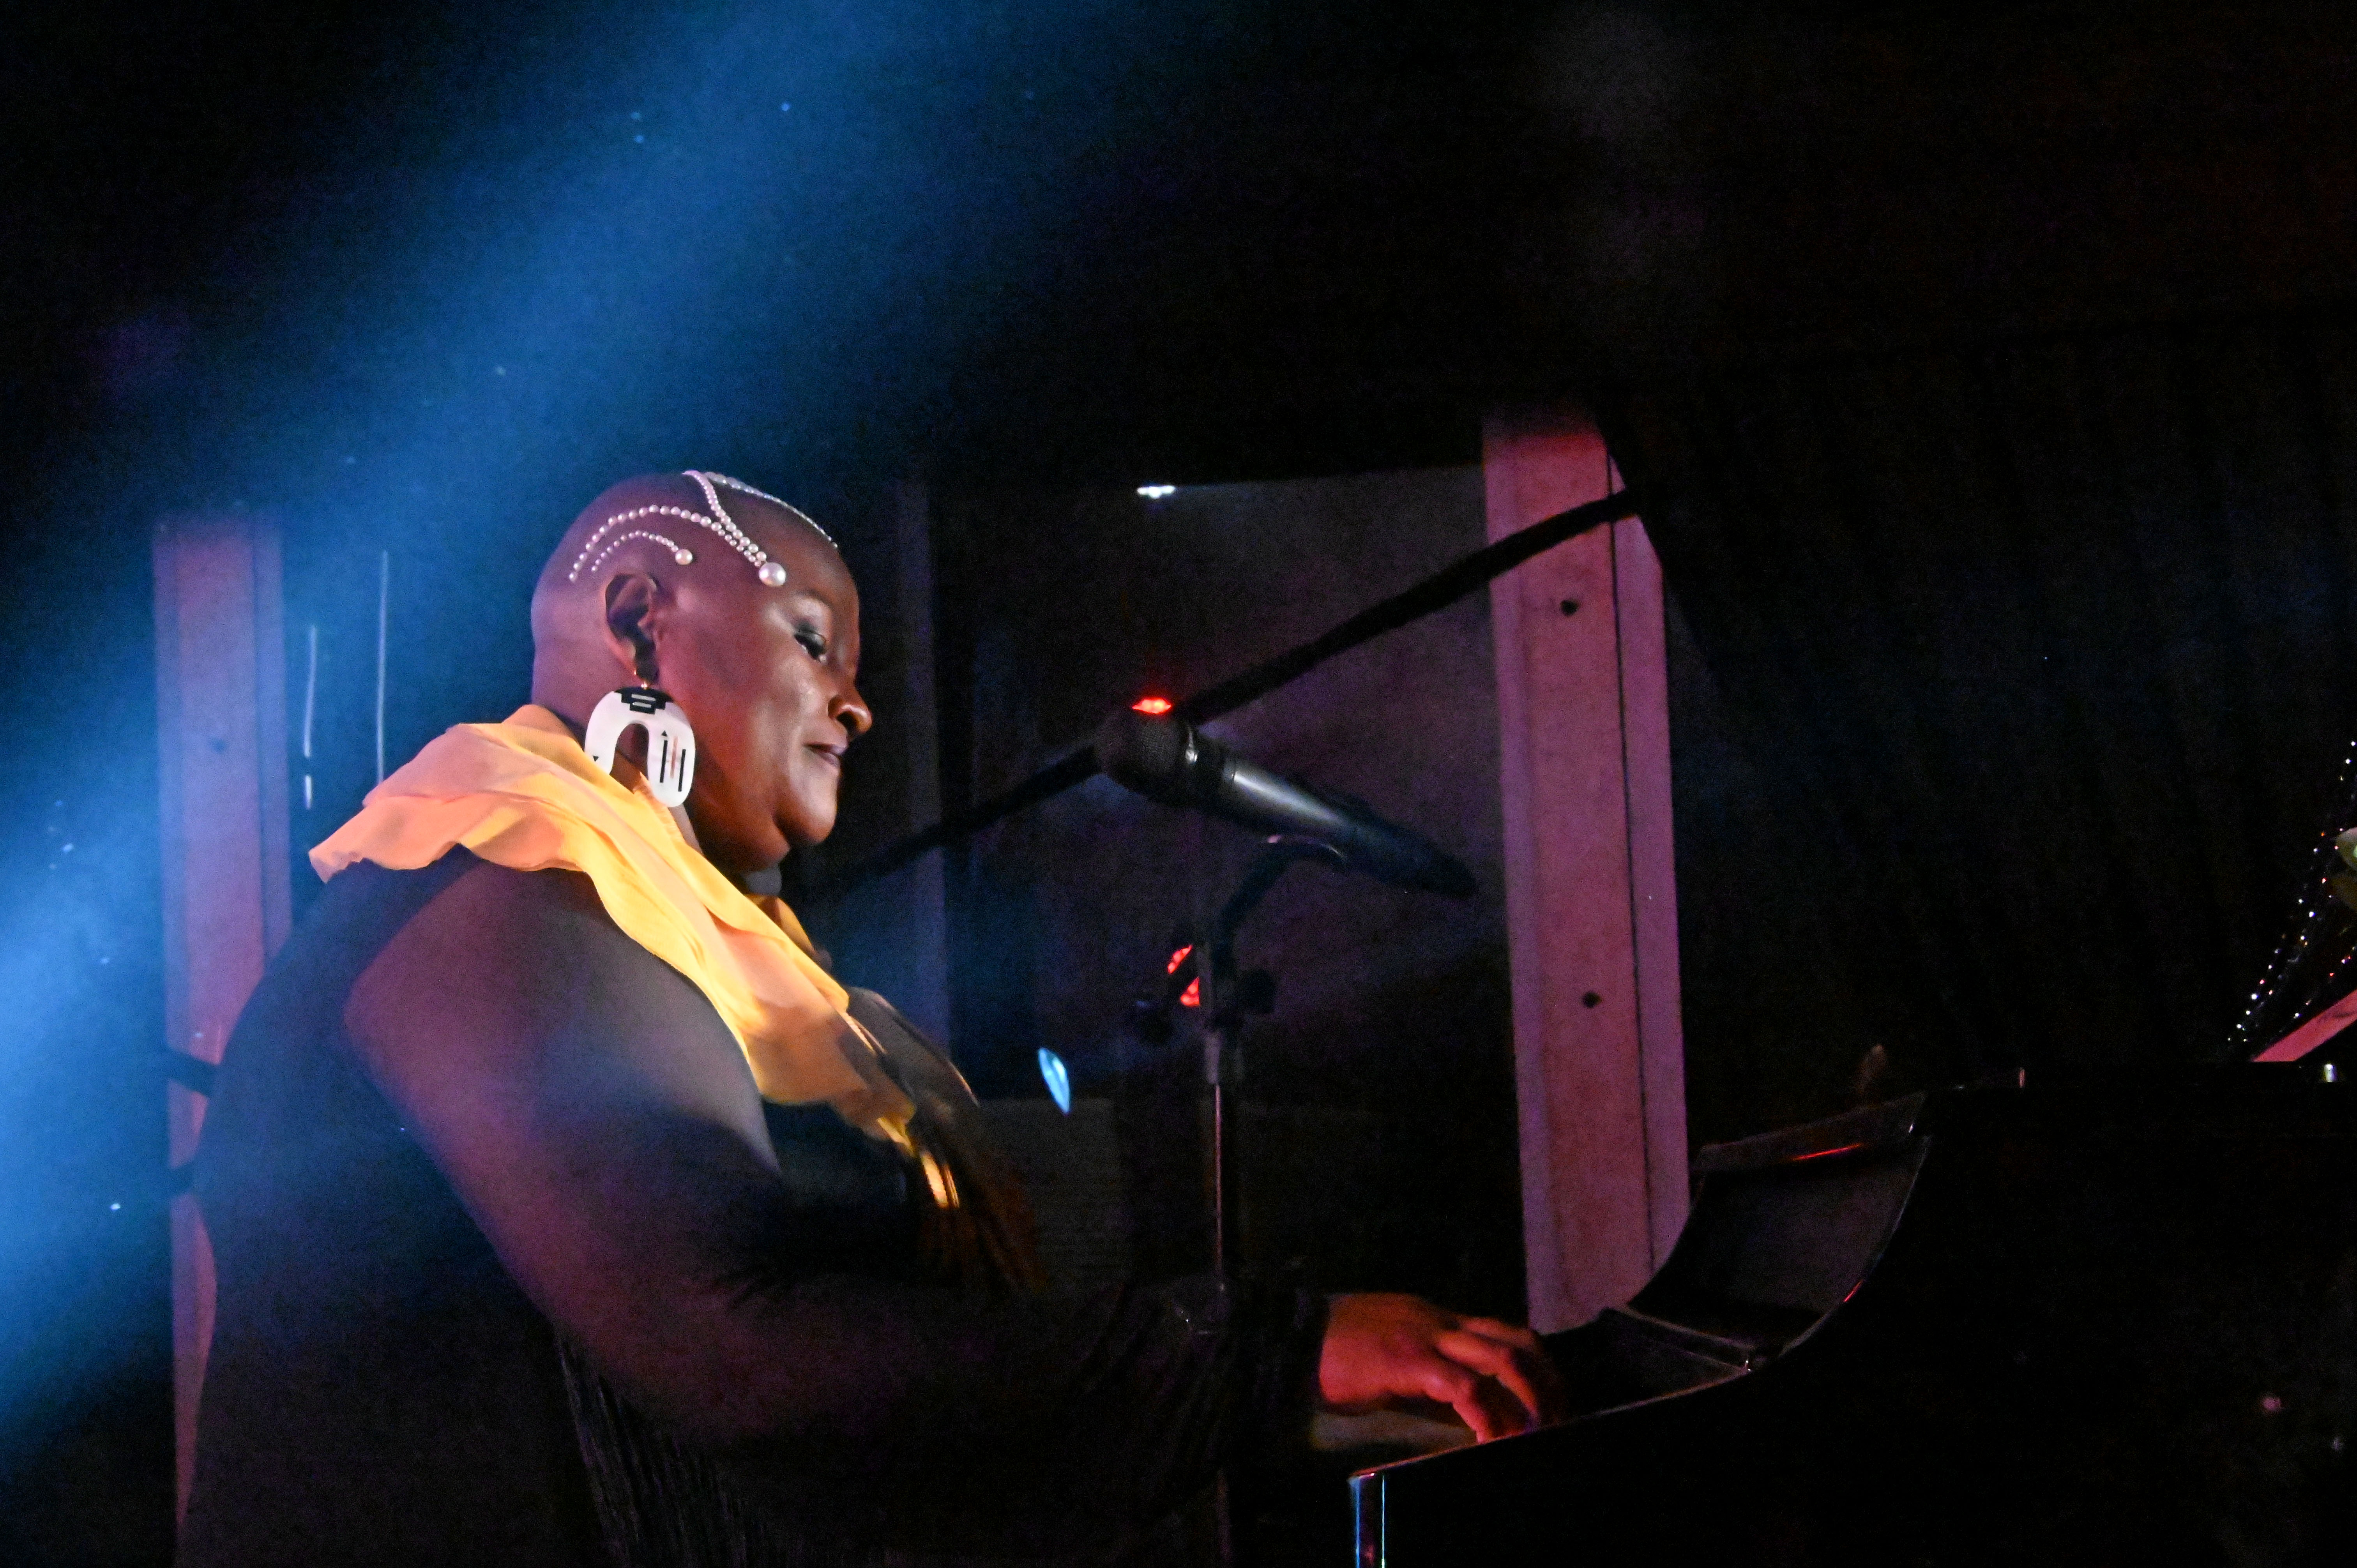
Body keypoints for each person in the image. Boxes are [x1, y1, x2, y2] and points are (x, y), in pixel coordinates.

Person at [178, 471, 1558, 1566]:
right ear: (640, 617)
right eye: (812, 640)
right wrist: (1263, 1356)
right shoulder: (496, 891)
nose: (858, 699)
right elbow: (734, 1343)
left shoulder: (643, 921)